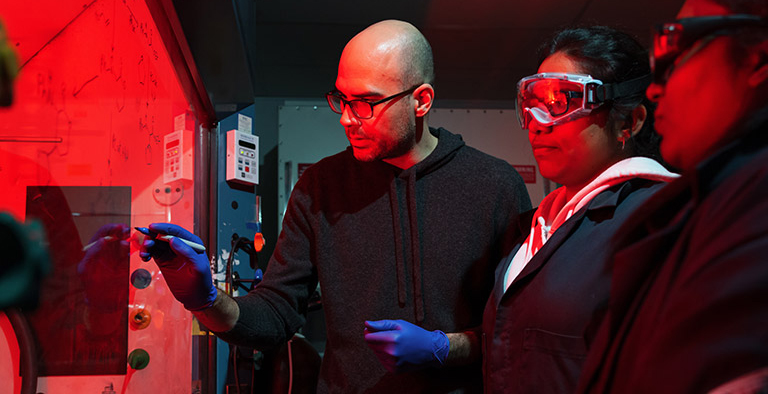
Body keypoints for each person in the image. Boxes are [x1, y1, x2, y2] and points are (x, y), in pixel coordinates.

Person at [140, 19, 531, 393]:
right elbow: (277, 313)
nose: (346, 118)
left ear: (421, 101)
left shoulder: (495, 186)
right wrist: (205, 300)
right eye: (342, 99)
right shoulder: (319, 187)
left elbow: (521, 330)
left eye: (365, 103)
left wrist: (446, 348)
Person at [574, 1, 768, 393]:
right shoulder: (699, 205)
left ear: (757, 60)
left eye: (674, 54)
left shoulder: (753, 205)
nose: (656, 89)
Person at [479, 27, 677, 393]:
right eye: (532, 102)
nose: (538, 122)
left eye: (561, 101)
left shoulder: (658, 218)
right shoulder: (542, 224)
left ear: (629, 121)